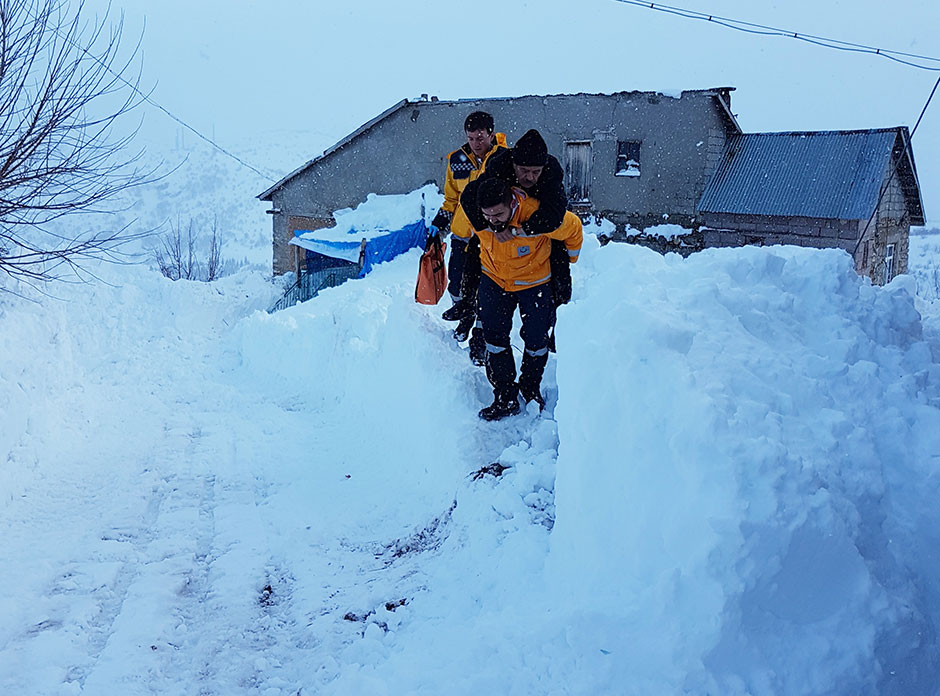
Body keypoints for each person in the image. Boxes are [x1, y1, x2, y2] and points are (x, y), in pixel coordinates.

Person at [469, 178, 582, 421]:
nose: (493, 220)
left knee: (536, 339)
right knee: (494, 339)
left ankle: (530, 388)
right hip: (495, 281)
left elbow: (573, 228)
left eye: (498, 214)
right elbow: (461, 228)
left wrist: (569, 259)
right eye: (487, 216)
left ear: (511, 202)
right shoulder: (480, 216)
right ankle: (504, 395)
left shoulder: (536, 213)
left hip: (535, 283)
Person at [456, 129, 571, 352]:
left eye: (535, 172)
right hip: (497, 231)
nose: (529, 177)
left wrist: (525, 228)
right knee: (475, 252)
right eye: (523, 171)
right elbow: (470, 196)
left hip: (537, 234)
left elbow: (556, 213)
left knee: (560, 272)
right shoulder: (499, 165)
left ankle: (557, 327)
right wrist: (491, 227)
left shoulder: (551, 172)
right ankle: (467, 304)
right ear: (514, 165)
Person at [430, 111, 507, 363]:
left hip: (489, 238)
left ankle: (479, 338)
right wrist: (439, 222)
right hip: (462, 235)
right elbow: (451, 197)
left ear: (491, 134)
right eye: (471, 138)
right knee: (456, 285)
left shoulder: (503, 159)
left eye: (481, 137)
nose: (476, 143)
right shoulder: (457, 160)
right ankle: (466, 317)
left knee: (487, 291)